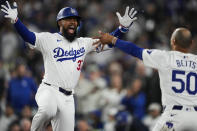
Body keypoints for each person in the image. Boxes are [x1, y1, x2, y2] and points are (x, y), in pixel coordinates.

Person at [1, 1, 137, 131]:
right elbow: (29, 37)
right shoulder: (49, 39)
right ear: (60, 22)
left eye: (75, 20)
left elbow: (107, 41)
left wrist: (122, 29)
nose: (73, 22)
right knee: (48, 110)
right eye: (69, 19)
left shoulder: (83, 43)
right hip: (50, 90)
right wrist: (16, 21)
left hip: (68, 98)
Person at [93, 27, 196, 131]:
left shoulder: (166, 57)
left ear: (173, 41)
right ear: (191, 43)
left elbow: (134, 50)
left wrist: (112, 39)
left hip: (174, 116)